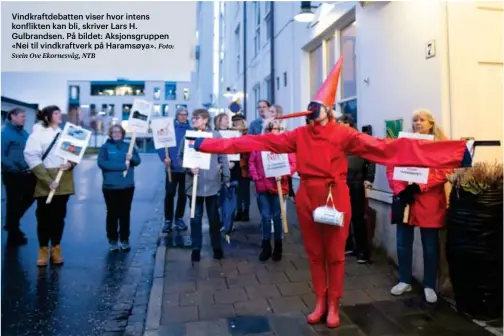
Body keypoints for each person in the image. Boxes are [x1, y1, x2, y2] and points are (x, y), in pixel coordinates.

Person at [189, 57, 473, 328]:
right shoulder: (298, 135)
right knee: (314, 254)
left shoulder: (343, 134)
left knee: (335, 254)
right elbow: (255, 141)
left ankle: (335, 303)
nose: (313, 107)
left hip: (334, 197)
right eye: (312, 103)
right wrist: (205, 145)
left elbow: (388, 149)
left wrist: (455, 152)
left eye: (319, 104)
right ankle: (320, 301)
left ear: (329, 109)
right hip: (307, 198)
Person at [387, 109, 452, 304]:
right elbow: (392, 167)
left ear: (431, 123)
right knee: (402, 242)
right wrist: (400, 190)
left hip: (430, 200)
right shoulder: (404, 144)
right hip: (407, 200)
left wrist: (420, 185)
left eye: (422, 120)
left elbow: (445, 170)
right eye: (415, 120)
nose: (418, 123)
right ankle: (404, 279)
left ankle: (429, 285)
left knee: (430, 246)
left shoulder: (440, 145)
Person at [24, 106, 77, 266]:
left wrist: (71, 163)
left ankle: (56, 247)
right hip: (45, 179)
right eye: (56, 113)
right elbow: (31, 156)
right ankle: (42, 250)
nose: (59, 115)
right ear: (47, 116)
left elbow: (74, 152)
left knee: (59, 217)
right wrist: (47, 180)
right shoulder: (37, 134)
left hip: (63, 179)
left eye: (59, 112)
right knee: (43, 217)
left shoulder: (65, 133)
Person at [178, 109, 230, 262]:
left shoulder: (215, 136)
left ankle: (216, 247)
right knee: (195, 218)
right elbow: (180, 157)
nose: (194, 120)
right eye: (193, 118)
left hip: (212, 184)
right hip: (194, 185)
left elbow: (222, 156)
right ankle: (196, 248)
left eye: (197, 117)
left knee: (214, 218)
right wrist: (188, 168)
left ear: (206, 120)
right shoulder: (188, 136)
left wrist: (226, 176)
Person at [249, 120, 296, 262]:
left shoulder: (286, 145)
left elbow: (293, 163)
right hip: (263, 187)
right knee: (265, 217)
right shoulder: (259, 144)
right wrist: (257, 178)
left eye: (276, 129)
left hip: (279, 186)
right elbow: (252, 162)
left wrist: (285, 174)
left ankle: (278, 246)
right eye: (270, 129)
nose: (273, 131)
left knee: (278, 217)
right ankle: (266, 246)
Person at [337, 114, 375, 264]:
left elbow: (370, 159)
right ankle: (348, 245)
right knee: (343, 216)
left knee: (358, 217)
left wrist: (368, 179)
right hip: (340, 182)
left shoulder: (359, 139)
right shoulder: (336, 140)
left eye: (341, 124)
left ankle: (362, 251)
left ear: (349, 124)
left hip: (356, 182)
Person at [98, 124, 141, 251]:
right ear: (110, 134)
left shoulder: (129, 146)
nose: (116, 134)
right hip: (110, 186)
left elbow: (138, 161)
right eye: (114, 132)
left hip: (127, 186)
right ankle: (112, 240)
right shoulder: (105, 147)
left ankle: (124, 239)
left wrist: (131, 157)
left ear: (122, 133)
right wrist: (123, 166)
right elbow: (102, 163)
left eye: (119, 132)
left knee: (125, 213)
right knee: (112, 213)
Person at [1, 108, 36, 245]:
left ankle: (11, 224)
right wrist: (14, 167)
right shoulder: (4, 133)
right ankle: (13, 234)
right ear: (12, 117)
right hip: (13, 174)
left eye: (25, 116)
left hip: (27, 173)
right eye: (22, 116)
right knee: (13, 203)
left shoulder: (23, 132)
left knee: (32, 195)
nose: (24, 119)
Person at [159, 107, 190, 233]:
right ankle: (167, 220)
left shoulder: (190, 130)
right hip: (171, 168)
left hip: (185, 168)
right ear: (176, 115)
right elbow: (161, 144)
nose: (183, 116)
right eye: (181, 114)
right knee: (170, 194)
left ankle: (179, 218)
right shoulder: (169, 128)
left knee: (183, 195)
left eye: (185, 114)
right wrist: (164, 158)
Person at [214, 112, 239, 235]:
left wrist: (232, 163)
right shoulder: (213, 134)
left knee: (231, 199)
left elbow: (235, 149)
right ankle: (220, 222)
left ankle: (229, 223)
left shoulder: (233, 134)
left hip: (232, 171)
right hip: (217, 173)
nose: (227, 121)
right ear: (218, 121)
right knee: (219, 200)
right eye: (225, 119)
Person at [232, 114, 251, 222]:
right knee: (237, 191)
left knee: (245, 191)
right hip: (235, 166)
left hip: (244, 166)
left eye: (239, 121)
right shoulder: (232, 133)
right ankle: (238, 211)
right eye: (235, 121)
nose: (237, 123)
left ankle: (246, 211)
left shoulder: (246, 134)